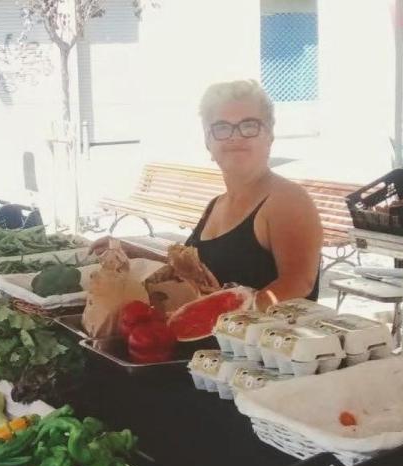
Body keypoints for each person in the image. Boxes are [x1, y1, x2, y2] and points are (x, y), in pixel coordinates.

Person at [94, 80, 323, 310]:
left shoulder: (287, 200)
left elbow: (298, 283)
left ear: (270, 135)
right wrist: (135, 252)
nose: (235, 137)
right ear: (208, 141)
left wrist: (222, 316)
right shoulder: (216, 205)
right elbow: (194, 274)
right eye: (222, 127)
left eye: (249, 125)